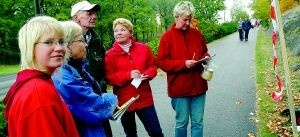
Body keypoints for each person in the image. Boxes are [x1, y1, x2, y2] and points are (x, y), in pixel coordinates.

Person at [3, 16, 79, 137]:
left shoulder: (36, 83)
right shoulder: (38, 93)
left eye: (60, 41)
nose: (59, 48)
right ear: (31, 47)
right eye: (48, 42)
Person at [52, 21, 118, 137]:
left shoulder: (78, 69)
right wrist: (112, 99)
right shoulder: (63, 77)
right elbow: (95, 106)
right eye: (81, 40)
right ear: (67, 45)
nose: (86, 45)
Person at [156, 1, 210, 137]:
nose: (188, 23)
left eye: (189, 19)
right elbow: (161, 62)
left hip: (199, 86)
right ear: (176, 17)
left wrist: (206, 57)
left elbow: (204, 51)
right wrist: (184, 64)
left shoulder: (197, 34)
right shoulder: (167, 38)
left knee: (198, 122)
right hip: (180, 90)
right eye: (185, 19)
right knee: (181, 123)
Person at [105, 18, 164, 137]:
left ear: (130, 32)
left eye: (123, 29)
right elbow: (109, 77)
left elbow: (153, 66)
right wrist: (128, 75)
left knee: (156, 132)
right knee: (131, 134)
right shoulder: (109, 55)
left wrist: (147, 74)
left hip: (144, 98)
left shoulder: (143, 48)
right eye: (116, 31)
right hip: (124, 101)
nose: (119, 32)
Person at [71, 1, 113, 136]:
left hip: (98, 100)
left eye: (94, 13)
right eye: (89, 13)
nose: (94, 16)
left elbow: (102, 69)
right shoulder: (64, 41)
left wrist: (103, 92)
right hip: (79, 106)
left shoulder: (96, 39)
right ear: (76, 18)